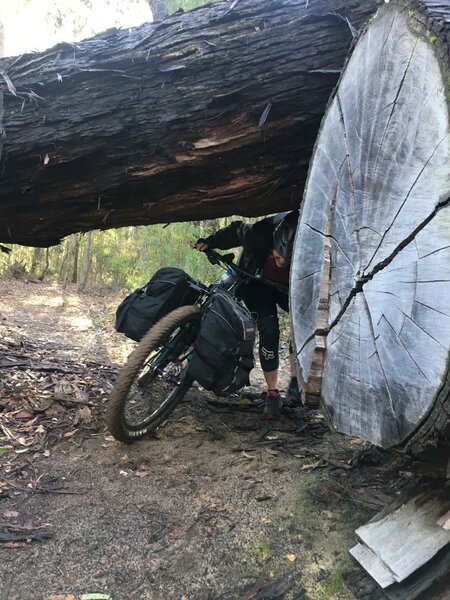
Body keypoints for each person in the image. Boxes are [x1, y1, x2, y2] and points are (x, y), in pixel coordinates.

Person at [195, 211, 300, 419]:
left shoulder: (307, 250)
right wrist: (209, 242)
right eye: (277, 257)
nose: (280, 264)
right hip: (256, 283)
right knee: (269, 332)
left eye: (286, 262)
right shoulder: (259, 234)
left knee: (303, 330)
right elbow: (234, 231)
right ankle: (272, 393)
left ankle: (296, 384)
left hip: (289, 290)